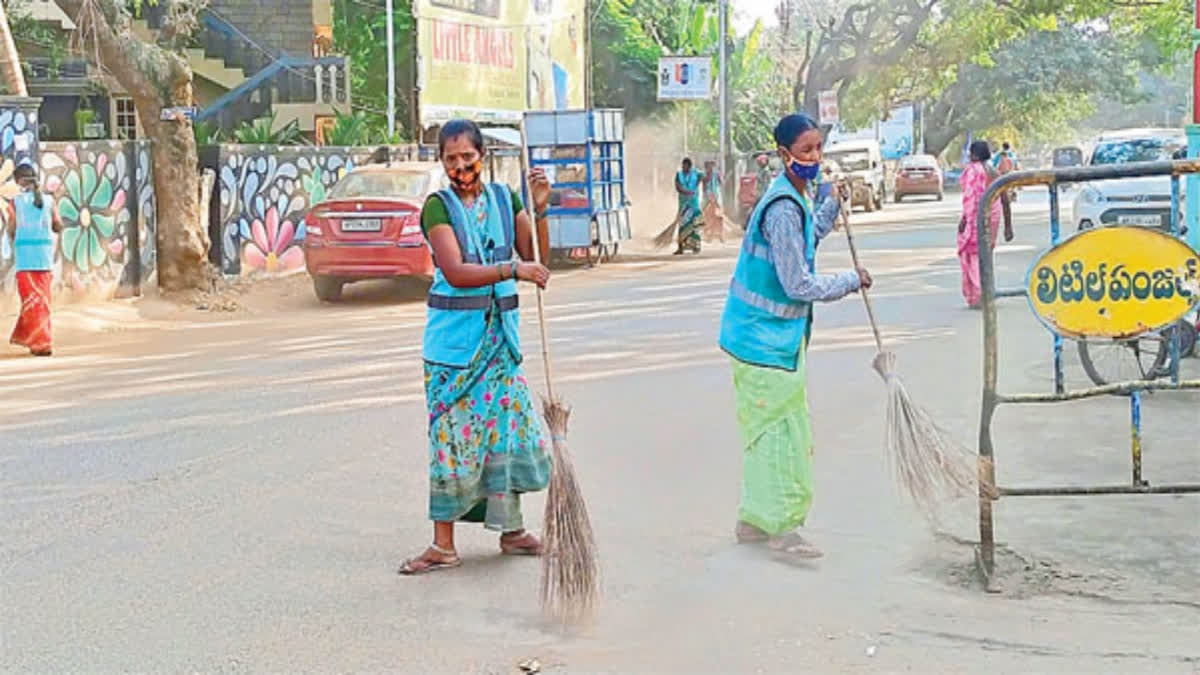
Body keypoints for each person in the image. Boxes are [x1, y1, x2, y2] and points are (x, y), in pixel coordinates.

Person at [398, 119, 554, 575]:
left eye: (468, 157)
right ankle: (443, 544)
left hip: (500, 344)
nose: (461, 166)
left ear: (483, 156)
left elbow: (537, 258)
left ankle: (511, 531)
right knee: (450, 439)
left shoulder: (508, 199)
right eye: (451, 159)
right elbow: (458, 269)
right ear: (442, 162)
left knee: (505, 435)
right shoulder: (436, 208)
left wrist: (541, 210)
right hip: (454, 352)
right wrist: (514, 270)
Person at [718, 113, 872, 560]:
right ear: (784, 155)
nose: (815, 158)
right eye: (806, 151)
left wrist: (830, 207)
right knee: (781, 434)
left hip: (769, 340)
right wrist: (850, 280)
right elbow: (797, 285)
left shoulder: (795, 199)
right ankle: (782, 529)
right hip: (761, 342)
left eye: (819, 148)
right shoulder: (783, 207)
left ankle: (753, 519)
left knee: (764, 431)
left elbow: (807, 238)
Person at [6, 159, 60, 357]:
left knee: (31, 302)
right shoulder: (49, 201)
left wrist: (15, 240)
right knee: (42, 302)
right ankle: (36, 339)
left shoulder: (15, 203)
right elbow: (58, 225)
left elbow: (11, 229)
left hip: (25, 259)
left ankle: (42, 344)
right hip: (45, 258)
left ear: (19, 182)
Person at [958, 140, 1012, 309]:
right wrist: (1008, 226)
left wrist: (965, 220)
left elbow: (971, 200)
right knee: (985, 254)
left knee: (973, 254)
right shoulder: (993, 172)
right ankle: (985, 292)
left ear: (974, 154)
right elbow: (1005, 199)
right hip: (993, 213)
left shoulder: (973, 172)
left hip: (980, 214)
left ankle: (979, 293)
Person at [673, 157, 703, 254]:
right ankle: (681, 247)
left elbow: (702, 177)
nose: (685, 168)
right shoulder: (679, 175)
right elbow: (678, 187)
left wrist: (697, 184)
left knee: (695, 226)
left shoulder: (696, 174)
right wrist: (686, 192)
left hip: (694, 204)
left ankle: (696, 246)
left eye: (687, 166)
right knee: (682, 226)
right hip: (684, 204)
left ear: (690, 166)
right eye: (684, 166)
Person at [701, 159, 725, 242]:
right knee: (706, 215)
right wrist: (709, 196)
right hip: (708, 198)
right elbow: (704, 188)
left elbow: (721, 183)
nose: (710, 168)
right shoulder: (704, 175)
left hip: (717, 197)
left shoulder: (716, 174)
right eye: (708, 167)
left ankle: (720, 235)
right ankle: (708, 234)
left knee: (718, 216)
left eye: (711, 166)